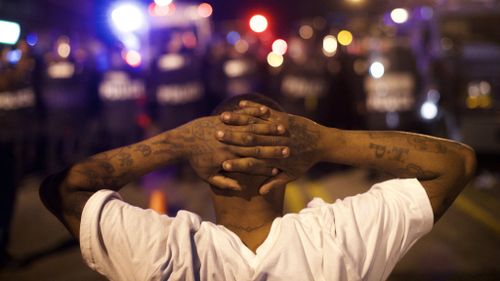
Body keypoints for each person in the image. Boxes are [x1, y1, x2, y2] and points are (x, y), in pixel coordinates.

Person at [39, 94, 476, 280]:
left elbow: (63, 189)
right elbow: (456, 163)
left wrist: (180, 140)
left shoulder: (164, 251)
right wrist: (324, 140)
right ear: (289, 165)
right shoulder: (340, 242)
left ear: (205, 168)